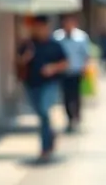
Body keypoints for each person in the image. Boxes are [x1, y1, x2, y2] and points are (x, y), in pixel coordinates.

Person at [16, 16, 69, 162]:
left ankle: (45, 147)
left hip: (49, 84)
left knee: (44, 112)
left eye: (42, 27)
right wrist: (25, 58)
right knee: (41, 114)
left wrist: (53, 68)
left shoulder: (54, 45)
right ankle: (50, 135)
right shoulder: (28, 44)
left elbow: (65, 63)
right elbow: (18, 62)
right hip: (31, 84)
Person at [52, 14, 91, 133]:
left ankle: (76, 115)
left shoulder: (81, 37)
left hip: (76, 70)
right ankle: (69, 118)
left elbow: (86, 54)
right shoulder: (57, 37)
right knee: (65, 96)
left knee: (76, 95)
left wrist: (85, 67)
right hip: (63, 71)